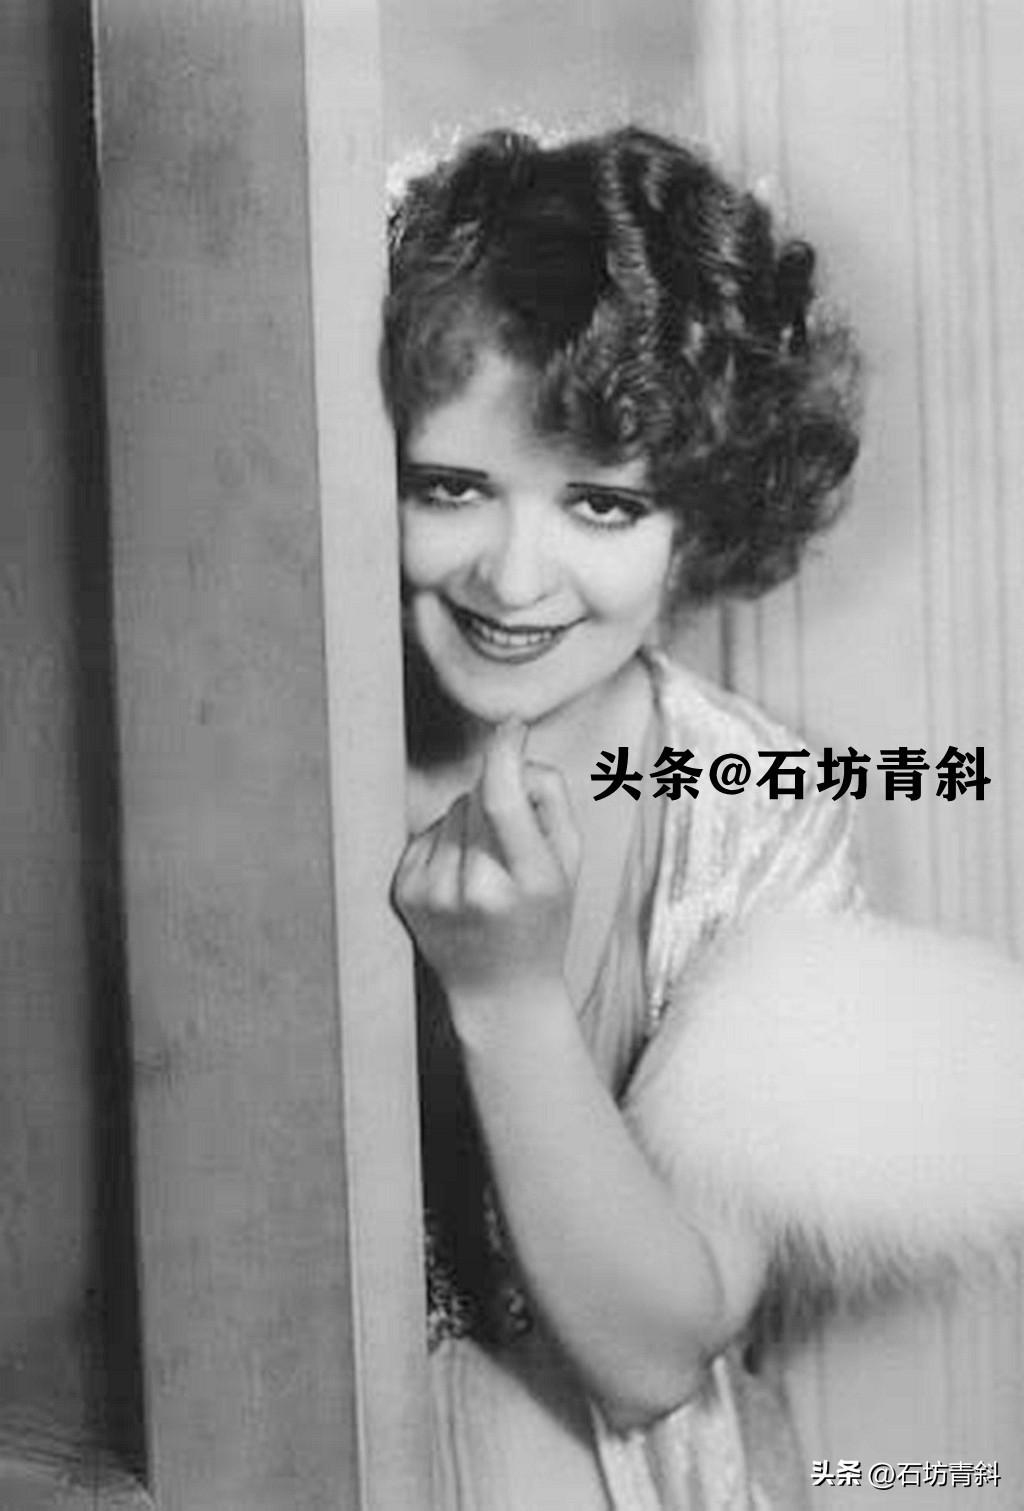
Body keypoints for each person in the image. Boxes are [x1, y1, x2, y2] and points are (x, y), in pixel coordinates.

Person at [378, 125, 1015, 1510]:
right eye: (451, 487)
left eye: (603, 505)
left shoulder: (758, 817)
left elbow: (653, 1356)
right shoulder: (254, 751)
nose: (514, 576)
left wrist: (505, 995)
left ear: (701, 519)